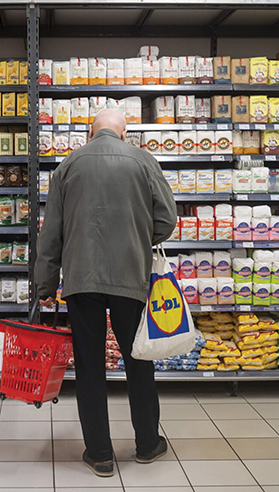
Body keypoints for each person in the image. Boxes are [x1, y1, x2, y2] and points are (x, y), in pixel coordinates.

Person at [35, 109, 178, 477]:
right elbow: (167, 219)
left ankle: (99, 453)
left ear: (90, 132)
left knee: (89, 364)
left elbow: (51, 233)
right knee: (139, 359)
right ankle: (147, 444)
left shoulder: (68, 165)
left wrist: (46, 284)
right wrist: (138, 239)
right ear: (124, 134)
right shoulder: (143, 160)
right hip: (130, 276)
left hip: (82, 278)